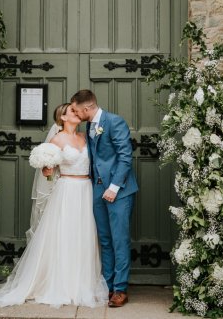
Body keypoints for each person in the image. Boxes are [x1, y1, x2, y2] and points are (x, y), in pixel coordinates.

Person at [0, 103, 108, 308]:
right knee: (64, 235)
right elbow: (48, 172)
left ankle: (82, 282)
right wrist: (46, 171)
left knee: (84, 234)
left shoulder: (85, 137)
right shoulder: (56, 140)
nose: (77, 114)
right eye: (72, 111)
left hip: (86, 189)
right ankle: (62, 284)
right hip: (66, 190)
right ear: (63, 117)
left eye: (77, 111)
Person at [71, 89, 138, 308]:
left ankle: (120, 289)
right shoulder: (89, 126)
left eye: (76, 110)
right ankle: (108, 286)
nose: (75, 113)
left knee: (119, 240)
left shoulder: (114, 121)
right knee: (105, 241)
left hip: (118, 191)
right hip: (97, 190)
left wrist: (114, 186)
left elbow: (125, 156)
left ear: (87, 108)